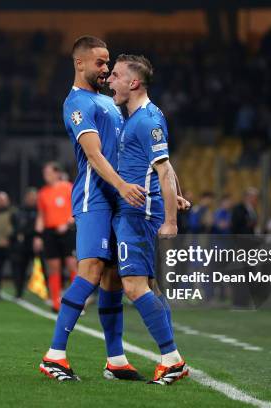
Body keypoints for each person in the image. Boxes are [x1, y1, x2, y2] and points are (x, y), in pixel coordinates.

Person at [40, 36, 147, 382]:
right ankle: (55, 355)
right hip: (94, 198)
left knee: (113, 280)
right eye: (100, 63)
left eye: (108, 63)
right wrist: (120, 186)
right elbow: (94, 155)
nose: (106, 69)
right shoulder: (77, 104)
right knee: (89, 272)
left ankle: (115, 359)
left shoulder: (108, 103)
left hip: (117, 200)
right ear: (80, 63)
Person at [107, 54, 188, 385]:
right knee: (147, 287)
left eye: (115, 75)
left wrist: (171, 220)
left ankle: (171, 359)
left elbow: (164, 169)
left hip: (140, 214)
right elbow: (163, 166)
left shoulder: (146, 120)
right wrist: (176, 193)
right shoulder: (138, 117)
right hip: (135, 210)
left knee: (134, 287)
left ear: (133, 82)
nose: (110, 80)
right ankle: (170, 359)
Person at [34, 162, 77, 312]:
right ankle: (56, 302)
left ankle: (76, 302)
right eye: (44, 173)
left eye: (49, 172)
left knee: (72, 264)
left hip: (68, 231)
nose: (46, 175)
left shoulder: (68, 187)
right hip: (50, 233)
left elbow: (76, 209)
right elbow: (41, 216)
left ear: (57, 173)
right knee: (53, 267)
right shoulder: (42, 193)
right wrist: (38, 236)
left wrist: (67, 223)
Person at [11, 187, 39, 299]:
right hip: (22, 245)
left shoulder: (39, 210)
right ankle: (18, 292)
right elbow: (14, 225)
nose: (32, 199)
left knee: (40, 268)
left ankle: (46, 293)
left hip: (36, 242)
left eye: (34, 197)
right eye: (30, 197)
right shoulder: (19, 211)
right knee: (20, 269)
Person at [0, 191, 16, 300]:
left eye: (3, 200)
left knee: (16, 270)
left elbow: (16, 229)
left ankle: (18, 293)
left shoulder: (12, 213)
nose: (1, 202)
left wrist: (11, 241)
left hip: (11, 246)